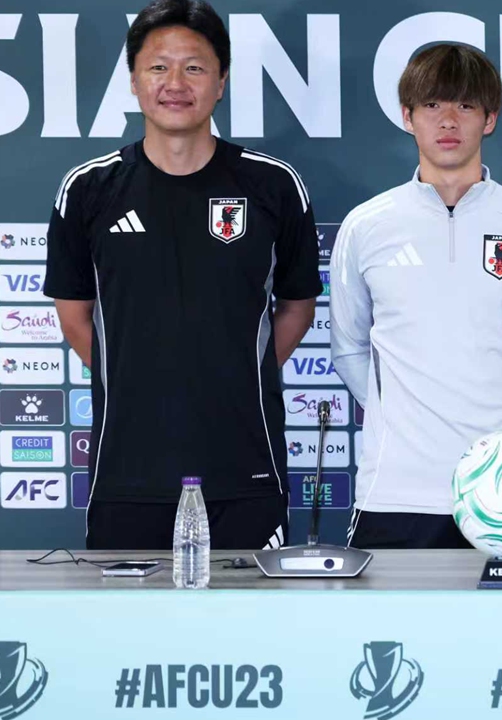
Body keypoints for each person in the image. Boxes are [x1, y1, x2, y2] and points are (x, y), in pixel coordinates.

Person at [43, 0, 321, 550]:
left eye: (194, 67)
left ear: (221, 82)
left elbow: (297, 306)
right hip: (127, 477)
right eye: (158, 66)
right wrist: (142, 375)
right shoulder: (89, 190)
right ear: (134, 81)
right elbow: (75, 315)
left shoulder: (273, 186)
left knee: (256, 634)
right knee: (128, 638)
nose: (176, 82)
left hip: (246, 473)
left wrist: (233, 369)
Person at [331, 44, 502, 549]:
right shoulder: (367, 225)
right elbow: (349, 349)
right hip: (392, 493)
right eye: (432, 105)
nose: (448, 120)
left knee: (497, 632)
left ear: (489, 119)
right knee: (386, 632)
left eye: (464, 106)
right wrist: (396, 415)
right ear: (407, 117)